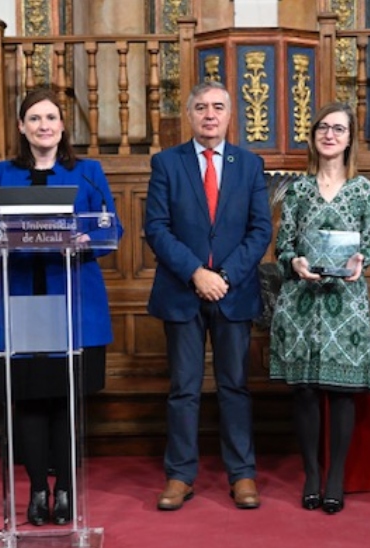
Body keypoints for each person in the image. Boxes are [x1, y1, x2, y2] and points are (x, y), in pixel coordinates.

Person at [0, 88, 123, 526]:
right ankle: (38, 490)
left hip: (73, 305)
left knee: (66, 401)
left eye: (51, 118)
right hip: (17, 302)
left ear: (62, 126)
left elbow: (112, 226)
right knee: (29, 402)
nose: (44, 125)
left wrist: (86, 239)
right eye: (34, 118)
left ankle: (68, 495)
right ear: (21, 127)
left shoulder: (88, 173)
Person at [144, 81, 272, 511]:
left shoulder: (250, 165)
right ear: (189, 115)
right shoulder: (166, 163)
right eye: (201, 107)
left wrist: (226, 276)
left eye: (218, 106)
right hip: (183, 291)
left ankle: (242, 474)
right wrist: (197, 273)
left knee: (235, 386)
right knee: (184, 389)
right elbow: (156, 228)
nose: (210, 114)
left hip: (233, 293)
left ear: (230, 114)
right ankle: (180, 475)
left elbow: (260, 231)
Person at [269, 103, 370, 514]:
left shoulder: (364, 189)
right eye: (323, 128)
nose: (330, 134)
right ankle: (312, 475)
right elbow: (283, 247)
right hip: (302, 299)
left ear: (350, 138)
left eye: (339, 129)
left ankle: (336, 477)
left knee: (342, 392)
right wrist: (294, 263)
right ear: (314, 135)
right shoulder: (297, 189)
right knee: (306, 392)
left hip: (346, 301)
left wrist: (360, 261)